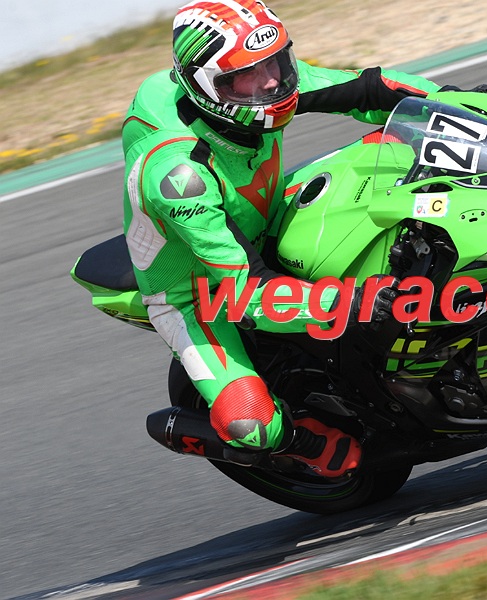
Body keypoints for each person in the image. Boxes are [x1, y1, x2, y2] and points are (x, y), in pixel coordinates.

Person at [121, 0, 447, 476]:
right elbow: (244, 291)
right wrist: (348, 303)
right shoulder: (178, 176)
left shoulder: (259, 84)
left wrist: (457, 105)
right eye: (249, 75)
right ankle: (299, 443)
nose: (272, 81)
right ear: (208, 87)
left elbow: (367, 88)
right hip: (201, 291)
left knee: (396, 162)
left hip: (266, 215)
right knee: (251, 426)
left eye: (275, 62)